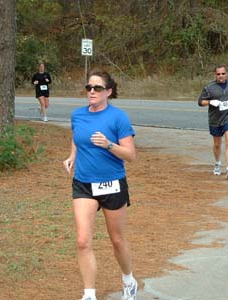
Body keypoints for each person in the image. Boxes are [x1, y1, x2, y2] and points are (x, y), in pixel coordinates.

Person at [63, 70, 138, 300]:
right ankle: (89, 294)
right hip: (84, 183)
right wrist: (72, 156)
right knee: (82, 240)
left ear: (108, 92)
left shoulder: (118, 118)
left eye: (97, 88)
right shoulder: (77, 115)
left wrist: (108, 145)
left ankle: (128, 280)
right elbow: (78, 138)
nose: (91, 92)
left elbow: (130, 155)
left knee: (117, 239)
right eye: (89, 88)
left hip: (112, 184)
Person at [198, 65, 228, 178]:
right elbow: (200, 102)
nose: (221, 76)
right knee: (217, 144)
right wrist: (210, 102)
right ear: (215, 75)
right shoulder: (209, 87)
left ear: (226, 74)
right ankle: (217, 163)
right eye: (218, 74)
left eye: (223, 73)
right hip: (215, 119)